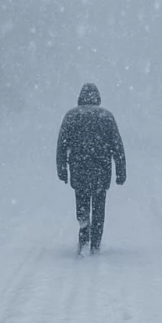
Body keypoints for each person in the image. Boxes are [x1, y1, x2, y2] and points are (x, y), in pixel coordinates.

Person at [56, 83, 126, 255]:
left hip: (79, 169)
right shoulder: (106, 117)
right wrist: (120, 171)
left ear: (80, 97)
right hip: (101, 170)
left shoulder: (71, 116)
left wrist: (62, 169)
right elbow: (117, 146)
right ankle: (96, 242)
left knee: (82, 202)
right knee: (99, 206)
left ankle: (84, 233)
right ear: (97, 98)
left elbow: (62, 146)